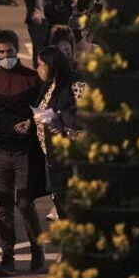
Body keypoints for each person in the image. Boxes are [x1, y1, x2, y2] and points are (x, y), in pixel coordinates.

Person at [0, 30, 45, 276]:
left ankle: (37, 247)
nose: (6, 56)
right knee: (4, 207)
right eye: (1, 52)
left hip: (24, 152)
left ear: (16, 50)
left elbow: (42, 110)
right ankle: (8, 257)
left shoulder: (31, 79)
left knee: (24, 203)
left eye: (10, 51)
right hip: (1, 150)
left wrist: (30, 124)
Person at [32, 47, 83, 216]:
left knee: (73, 207)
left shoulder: (75, 83)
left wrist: (59, 121)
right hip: (52, 156)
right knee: (60, 201)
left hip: (71, 156)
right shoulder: (49, 85)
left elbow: (86, 114)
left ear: (51, 65)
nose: (38, 68)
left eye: (40, 64)